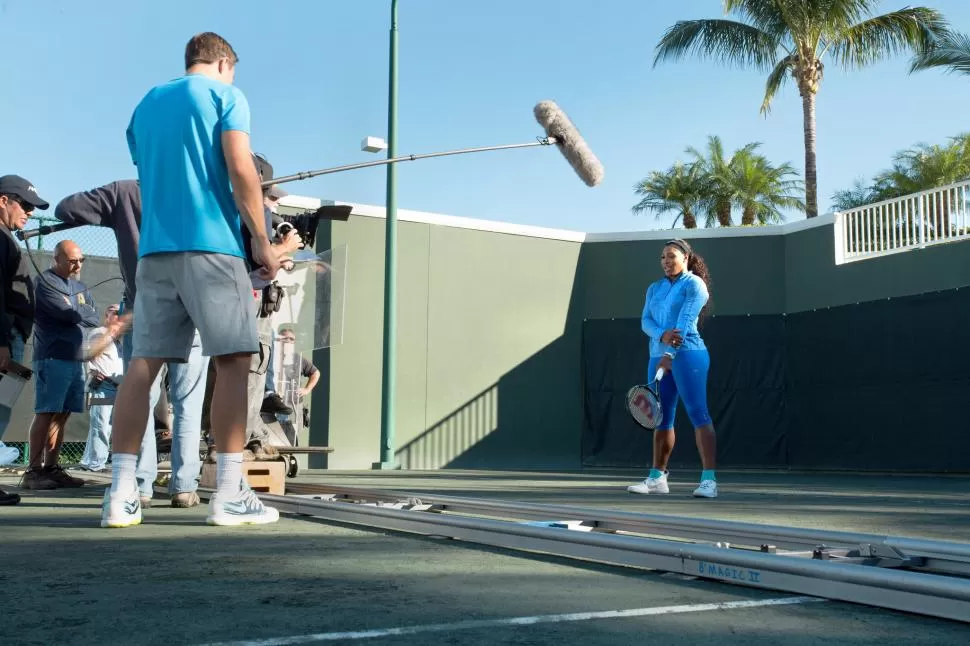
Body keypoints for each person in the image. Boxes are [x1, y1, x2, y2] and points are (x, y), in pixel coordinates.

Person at [102, 31, 281, 529]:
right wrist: (262, 241)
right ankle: (229, 492)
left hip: (155, 252)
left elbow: (158, 169)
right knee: (234, 361)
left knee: (142, 367)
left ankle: (120, 494)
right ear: (224, 62)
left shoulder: (146, 105)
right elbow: (240, 167)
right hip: (213, 247)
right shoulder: (228, 96)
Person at [54, 179, 211, 508]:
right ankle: (183, 486)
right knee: (187, 404)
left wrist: (113, 209)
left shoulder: (123, 192)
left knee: (139, 398)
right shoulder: (198, 188)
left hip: (142, 309)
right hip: (191, 307)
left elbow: (66, 208)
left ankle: (140, 485)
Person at [628, 238, 718, 499]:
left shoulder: (694, 285)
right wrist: (661, 336)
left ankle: (709, 480)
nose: (666, 262)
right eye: (663, 258)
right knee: (661, 417)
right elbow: (645, 321)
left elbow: (686, 323)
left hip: (689, 355)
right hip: (656, 356)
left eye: (671, 256)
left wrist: (670, 353)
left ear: (686, 258)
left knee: (698, 413)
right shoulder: (653, 288)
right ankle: (657, 477)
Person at [22, 240, 100, 490]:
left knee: (62, 415)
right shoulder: (44, 283)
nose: (78, 265)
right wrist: (77, 312)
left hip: (75, 358)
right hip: (52, 356)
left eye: (81, 259)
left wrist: (77, 311)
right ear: (56, 259)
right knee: (46, 412)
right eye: (72, 260)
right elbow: (69, 315)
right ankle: (33, 472)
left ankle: (52, 468)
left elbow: (93, 316)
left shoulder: (79, 286)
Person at [0, 175, 49, 505]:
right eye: (26, 205)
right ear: (4, 201)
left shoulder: (6, 238)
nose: (30, 212)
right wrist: (2, 342)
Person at [78, 304, 125, 472]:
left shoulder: (117, 341)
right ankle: (98, 463)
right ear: (107, 316)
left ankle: (88, 460)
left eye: (121, 313)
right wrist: (91, 371)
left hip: (116, 387)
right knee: (101, 425)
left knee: (103, 425)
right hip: (102, 385)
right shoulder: (99, 333)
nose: (118, 316)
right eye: (114, 313)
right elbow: (87, 355)